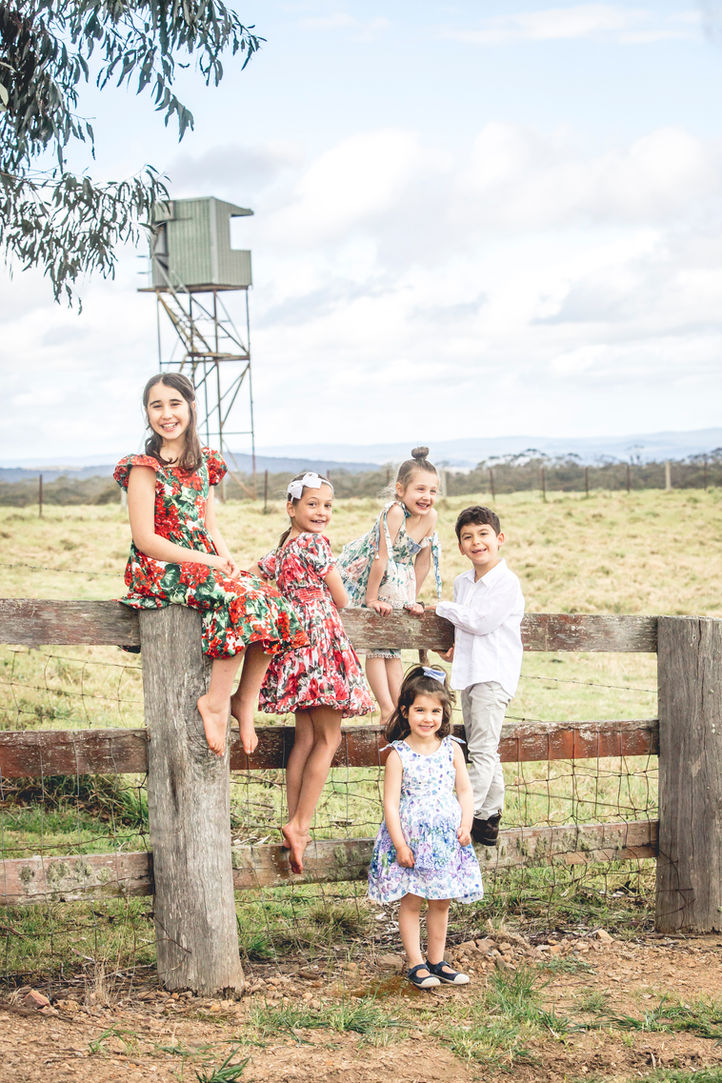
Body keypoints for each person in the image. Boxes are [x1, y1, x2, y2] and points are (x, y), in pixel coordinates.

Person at [114, 373, 306, 758]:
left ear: (191, 408)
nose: (166, 414)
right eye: (156, 405)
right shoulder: (143, 467)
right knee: (237, 601)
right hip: (160, 567)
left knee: (275, 601)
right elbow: (145, 540)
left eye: (174, 404)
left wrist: (228, 560)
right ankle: (215, 702)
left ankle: (242, 700)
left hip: (204, 561)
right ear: (147, 412)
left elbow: (209, 525)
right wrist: (210, 561)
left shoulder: (204, 464)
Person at [253, 472, 374, 875]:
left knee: (304, 737)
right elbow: (341, 597)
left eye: (327, 505)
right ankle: (301, 825)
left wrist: (280, 594)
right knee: (329, 737)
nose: (321, 512)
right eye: (312, 504)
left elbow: (256, 573)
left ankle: (293, 818)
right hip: (320, 642)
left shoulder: (283, 547)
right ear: (292, 508)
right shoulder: (315, 544)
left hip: (293, 643)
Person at [368, 665, 483, 990]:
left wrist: (466, 822)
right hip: (412, 843)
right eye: (420, 710)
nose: (427, 718)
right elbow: (390, 803)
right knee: (412, 899)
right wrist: (400, 845)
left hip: (446, 840)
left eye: (435, 710)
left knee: (442, 900)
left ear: (444, 713)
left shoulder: (452, 749)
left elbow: (464, 790)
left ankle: (437, 960)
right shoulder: (398, 755)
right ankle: (415, 963)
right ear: (405, 712)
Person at [429, 506, 524, 846]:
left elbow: (482, 622)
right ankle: (489, 817)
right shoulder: (463, 582)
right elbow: (466, 625)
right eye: (467, 537)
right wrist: (452, 646)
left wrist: (440, 607)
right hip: (469, 673)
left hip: (493, 675)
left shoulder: (506, 583)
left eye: (483, 534)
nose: (476, 542)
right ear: (460, 546)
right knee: (484, 748)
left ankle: (462, 818)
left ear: (499, 539)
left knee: (481, 751)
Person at [337, 447, 442, 724]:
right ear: (400, 489)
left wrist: (412, 599)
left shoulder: (431, 518)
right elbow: (380, 558)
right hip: (371, 575)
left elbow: (422, 563)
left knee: (392, 644)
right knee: (377, 642)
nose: (427, 497)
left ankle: (398, 707)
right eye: (420, 489)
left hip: (400, 582)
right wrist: (371, 599)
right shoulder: (394, 513)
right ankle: (385, 707)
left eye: (433, 491)